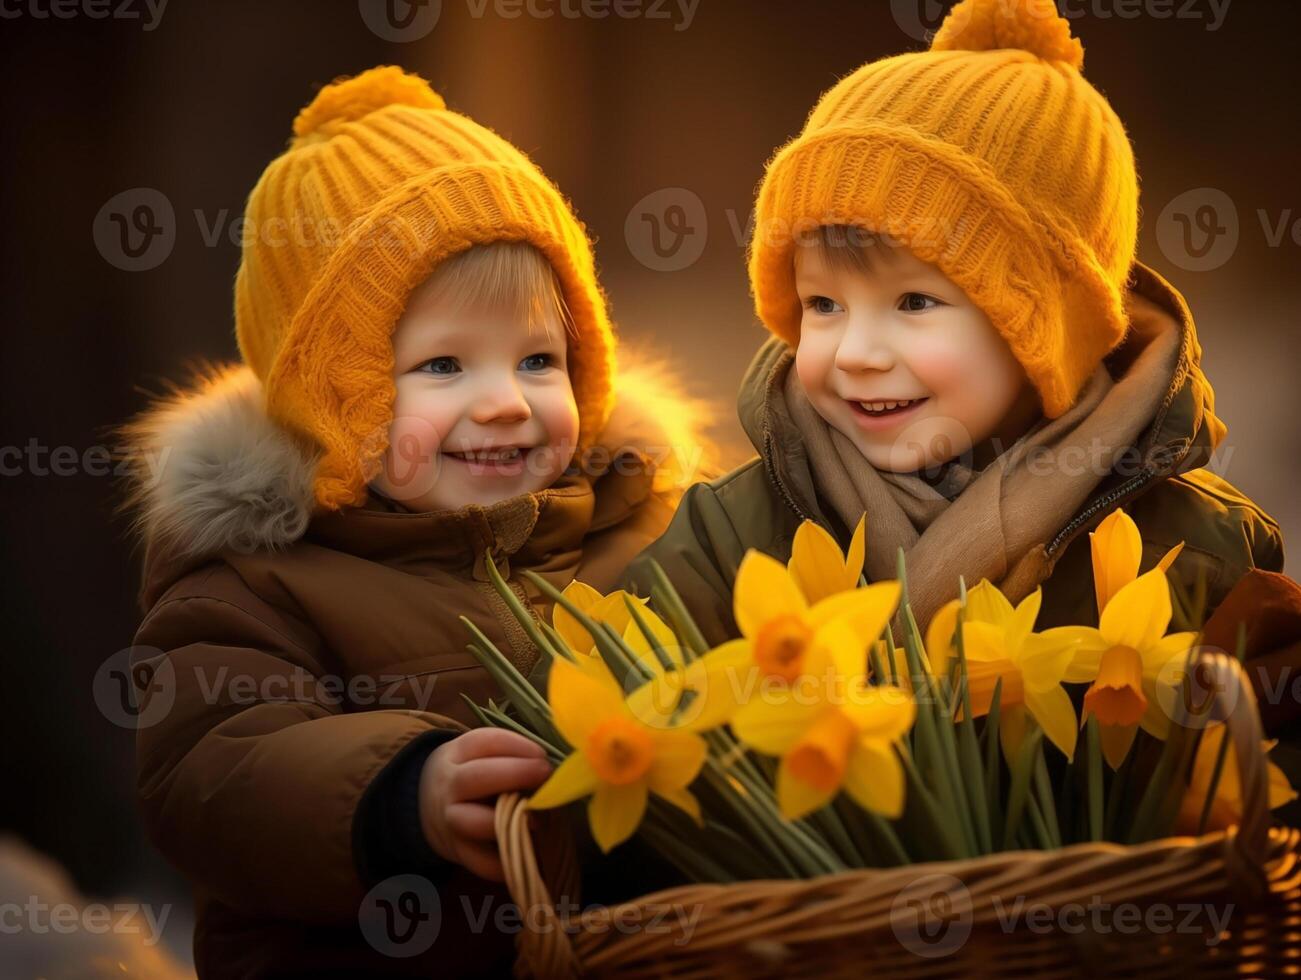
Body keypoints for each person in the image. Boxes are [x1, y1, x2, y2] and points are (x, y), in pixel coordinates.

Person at [121, 65, 708, 978]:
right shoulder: (257, 579)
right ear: (332, 400)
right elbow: (206, 775)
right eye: (443, 367)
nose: (506, 403)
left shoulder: (635, 533)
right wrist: (403, 795)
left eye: (538, 359)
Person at [624, 0, 1283, 647]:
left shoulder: (1194, 552)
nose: (855, 353)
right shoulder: (728, 538)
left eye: (912, 304)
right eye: (822, 305)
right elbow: (615, 699)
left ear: (1043, 333)